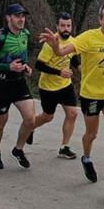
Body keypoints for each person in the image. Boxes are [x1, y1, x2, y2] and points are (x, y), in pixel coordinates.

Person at [39, 2, 104, 195]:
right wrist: (54, 45)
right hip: (91, 95)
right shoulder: (87, 38)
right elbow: (62, 52)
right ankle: (86, 158)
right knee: (91, 134)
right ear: (100, 20)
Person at [0, 3, 35, 170]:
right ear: (9, 18)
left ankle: (18, 150)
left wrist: (25, 66)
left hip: (19, 83)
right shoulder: (1, 37)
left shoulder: (25, 34)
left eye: (23, 16)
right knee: (0, 122)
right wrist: (8, 67)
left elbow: (22, 55)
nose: (21, 19)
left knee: (31, 120)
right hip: (1, 85)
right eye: (18, 16)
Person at [32, 12, 81, 160]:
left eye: (68, 25)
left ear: (71, 27)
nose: (66, 28)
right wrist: (59, 72)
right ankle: (30, 126)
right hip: (48, 87)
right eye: (62, 26)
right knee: (48, 117)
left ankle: (64, 147)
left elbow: (73, 58)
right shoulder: (50, 43)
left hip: (65, 85)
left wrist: (81, 69)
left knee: (72, 113)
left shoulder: (73, 41)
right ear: (57, 26)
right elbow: (38, 65)